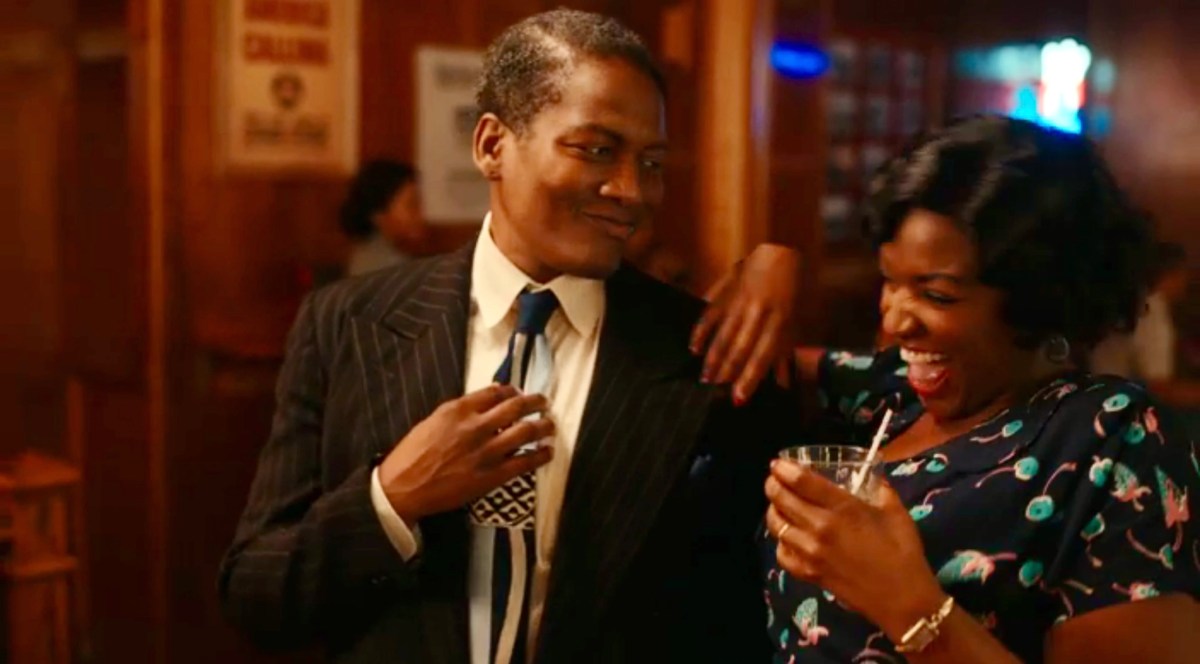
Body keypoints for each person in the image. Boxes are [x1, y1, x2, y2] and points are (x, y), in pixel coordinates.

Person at [219, 9, 795, 663]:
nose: (632, 191)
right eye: (596, 149)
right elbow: (256, 594)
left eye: (653, 162)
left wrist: (779, 258)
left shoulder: (707, 351)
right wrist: (390, 500)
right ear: (492, 145)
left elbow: (741, 620)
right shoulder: (346, 323)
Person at [695, 116, 1200, 662]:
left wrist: (906, 601)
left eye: (935, 295)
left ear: (1038, 299)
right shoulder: (887, 393)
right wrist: (771, 264)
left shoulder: (1114, 439)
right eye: (889, 281)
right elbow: (723, 363)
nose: (894, 318)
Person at [1091, 241, 1188, 382]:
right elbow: (1158, 387)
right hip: (1115, 396)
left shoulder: (1127, 301)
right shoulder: (1152, 314)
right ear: (1174, 274)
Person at [339, 159, 428, 276]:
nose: (421, 213)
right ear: (379, 214)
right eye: (412, 204)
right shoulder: (387, 268)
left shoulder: (367, 254)